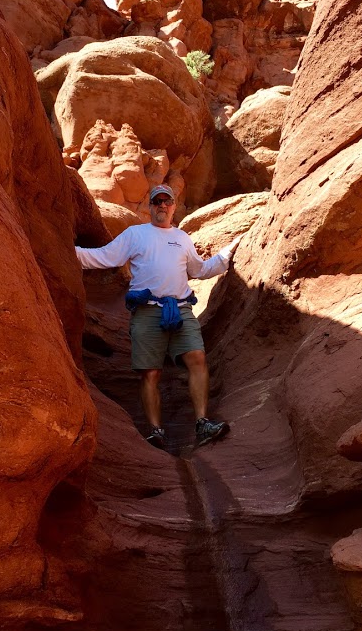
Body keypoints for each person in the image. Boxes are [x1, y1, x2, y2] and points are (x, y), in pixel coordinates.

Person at [75, 184, 241, 451]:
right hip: (147, 310)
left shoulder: (182, 238)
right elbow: (106, 257)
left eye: (167, 201)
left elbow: (199, 270)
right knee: (149, 372)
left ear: (173, 206)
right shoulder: (136, 234)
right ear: (150, 206)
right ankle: (156, 431)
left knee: (197, 358)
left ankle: (202, 423)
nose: (162, 205)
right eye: (157, 201)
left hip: (181, 308)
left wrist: (228, 253)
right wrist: (70, 251)